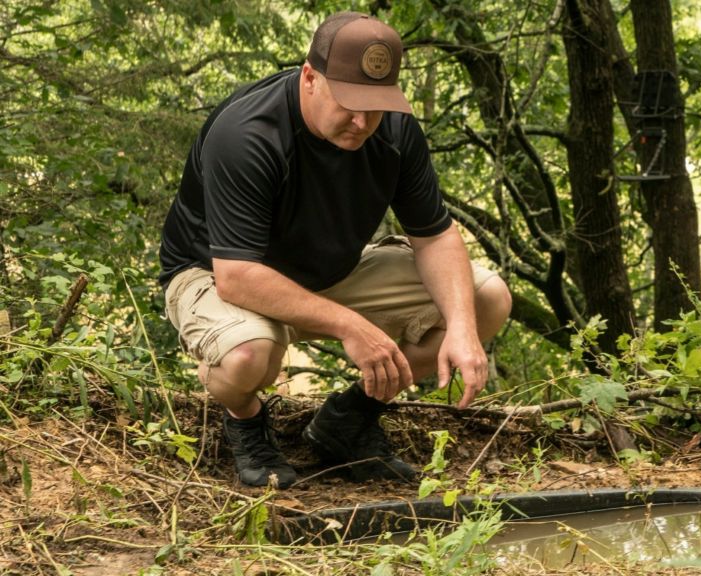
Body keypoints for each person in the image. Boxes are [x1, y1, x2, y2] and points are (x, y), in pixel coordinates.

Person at [158, 11, 512, 489]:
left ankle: (348, 420)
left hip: (330, 274)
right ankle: (244, 419)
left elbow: (435, 235)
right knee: (247, 356)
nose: (362, 121)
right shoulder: (248, 133)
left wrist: (465, 330)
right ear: (309, 77)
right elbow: (236, 275)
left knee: (486, 300)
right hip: (219, 276)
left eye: (376, 105)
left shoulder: (394, 130)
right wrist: (351, 326)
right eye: (349, 102)